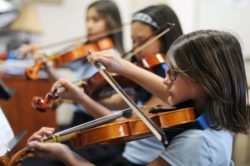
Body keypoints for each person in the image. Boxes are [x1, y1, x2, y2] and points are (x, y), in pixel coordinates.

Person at [28, 30, 250, 166]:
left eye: (173, 73)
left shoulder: (196, 143)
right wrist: (121, 67)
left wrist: (66, 155)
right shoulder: (216, 121)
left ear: (204, 80)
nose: (165, 80)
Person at [43, 4, 183, 166]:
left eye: (142, 41)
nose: (136, 48)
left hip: (142, 161)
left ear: (163, 39)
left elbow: (125, 127)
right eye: (132, 40)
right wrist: (79, 95)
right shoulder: (145, 71)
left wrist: (82, 98)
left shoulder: (169, 79)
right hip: (128, 155)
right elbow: (116, 103)